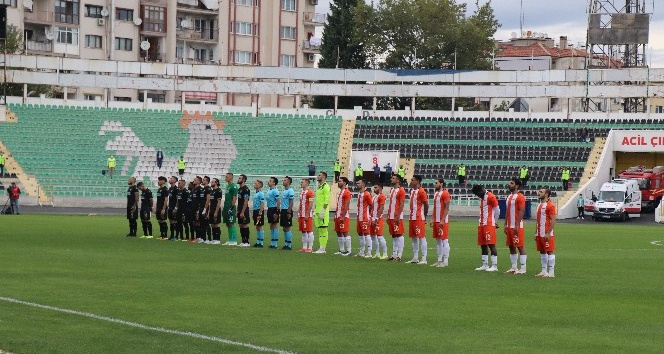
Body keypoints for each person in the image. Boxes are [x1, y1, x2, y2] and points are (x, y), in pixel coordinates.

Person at [471, 184, 499, 272]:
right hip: (481, 224)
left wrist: (495, 221)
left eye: (479, 193)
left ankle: (494, 266)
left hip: (489, 224)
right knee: (483, 245)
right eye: (477, 194)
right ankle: (485, 264)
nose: (478, 195)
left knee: (491, 244)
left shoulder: (491, 197)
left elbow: (497, 210)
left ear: (483, 189)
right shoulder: (481, 198)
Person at [504, 178, 527, 274]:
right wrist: (505, 223)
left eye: (511, 183)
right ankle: (514, 268)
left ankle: (523, 268)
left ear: (516, 186)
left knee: (520, 246)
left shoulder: (520, 197)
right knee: (511, 246)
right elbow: (507, 211)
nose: (509, 184)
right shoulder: (509, 197)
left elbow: (522, 211)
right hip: (509, 226)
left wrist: (517, 224)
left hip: (517, 226)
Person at [407, 175, 429, 265]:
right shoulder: (412, 191)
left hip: (418, 217)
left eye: (413, 180)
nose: (411, 181)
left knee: (421, 237)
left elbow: (426, 204)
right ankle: (415, 257)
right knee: (414, 238)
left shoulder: (421, 191)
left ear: (418, 181)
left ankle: (424, 258)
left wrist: (424, 216)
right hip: (412, 217)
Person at [535, 187, 557, 278]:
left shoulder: (550, 205)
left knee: (550, 252)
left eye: (541, 192)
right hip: (539, 233)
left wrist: (548, 233)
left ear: (546, 194)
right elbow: (538, 221)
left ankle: (551, 272)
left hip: (547, 233)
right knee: (542, 251)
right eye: (539, 191)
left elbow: (553, 220)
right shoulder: (539, 205)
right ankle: (544, 271)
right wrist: (536, 232)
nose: (539, 193)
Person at [430, 179, 451, 267]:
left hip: (442, 221)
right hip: (436, 220)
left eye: (436, 183)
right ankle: (439, 260)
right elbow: (435, 208)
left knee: (444, 240)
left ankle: (445, 261)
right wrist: (432, 219)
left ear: (441, 184)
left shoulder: (445, 193)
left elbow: (447, 208)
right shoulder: (436, 194)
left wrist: (442, 220)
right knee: (438, 240)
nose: (434, 184)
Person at [387, 174, 406, 261]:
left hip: (397, 216)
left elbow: (402, 203)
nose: (391, 179)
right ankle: (394, 254)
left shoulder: (401, 190)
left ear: (398, 180)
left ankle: (399, 255)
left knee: (399, 234)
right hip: (391, 216)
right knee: (394, 235)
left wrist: (398, 215)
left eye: (393, 178)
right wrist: (388, 215)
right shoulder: (392, 190)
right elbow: (391, 204)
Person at [313, 172, 331, 254]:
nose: (318, 176)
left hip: (323, 212)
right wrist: (315, 210)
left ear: (323, 177)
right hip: (318, 212)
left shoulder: (326, 186)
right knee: (320, 230)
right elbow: (318, 200)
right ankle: (321, 247)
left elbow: (327, 200)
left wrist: (323, 211)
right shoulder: (319, 187)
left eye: (319, 175)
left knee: (323, 230)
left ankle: (323, 248)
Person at [355, 178, 373, 258]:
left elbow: (371, 205)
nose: (357, 184)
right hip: (359, 217)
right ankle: (361, 251)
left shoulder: (367, 194)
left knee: (366, 234)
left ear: (363, 184)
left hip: (365, 217)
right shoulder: (359, 194)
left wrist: (369, 216)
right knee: (360, 234)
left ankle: (369, 252)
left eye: (359, 183)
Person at [334, 177, 352, 256]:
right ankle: (341, 250)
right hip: (338, 215)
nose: (338, 182)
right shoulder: (341, 192)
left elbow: (346, 205)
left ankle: (349, 251)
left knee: (345, 232)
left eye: (340, 181)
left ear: (344, 183)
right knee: (338, 232)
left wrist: (343, 216)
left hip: (343, 216)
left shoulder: (347, 192)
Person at [297, 178, 315, 253]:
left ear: (307, 184)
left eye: (302, 182)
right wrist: (298, 213)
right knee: (303, 231)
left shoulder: (310, 192)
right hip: (301, 214)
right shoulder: (302, 192)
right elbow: (301, 203)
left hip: (307, 215)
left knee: (309, 230)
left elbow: (311, 204)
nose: (301, 183)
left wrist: (307, 214)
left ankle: (310, 247)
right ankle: (304, 247)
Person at [371, 184, 388, 259]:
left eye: (376, 187)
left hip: (378, 219)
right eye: (374, 187)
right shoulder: (374, 197)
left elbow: (381, 208)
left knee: (380, 236)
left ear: (380, 188)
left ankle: (385, 253)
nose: (374, 189)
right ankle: (377, 253)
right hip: (372, 218)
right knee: (373, 236)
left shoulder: (382, 196)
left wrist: (377, 218)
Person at [278, 176, 295, 250]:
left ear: (288, 182)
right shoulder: (284, 191)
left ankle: (289, 244)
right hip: (283, 210)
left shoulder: (290, 191)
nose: (283, 181)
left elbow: (291, 201)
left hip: (287, 210)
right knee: (284, 228)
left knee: (287, 228)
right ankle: (286, 243)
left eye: (285, 180)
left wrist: (289, 211)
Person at [223, 173, 239, 246]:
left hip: (230, 207)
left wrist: (232, 207)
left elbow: (234, 197)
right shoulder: (227, 186)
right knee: (228, 223)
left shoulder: (234, 186)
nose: (225, 178)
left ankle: (234, 240)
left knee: (231, 223)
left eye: (226, 177)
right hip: (226, 206)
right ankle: (230, 240)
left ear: (231, 178)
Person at [237, 174, 251, 247]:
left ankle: (247, 241)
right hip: (239, 210)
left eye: (240, 178)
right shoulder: (239, 189)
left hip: (244, 210)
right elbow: (239, 201)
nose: (238, 179)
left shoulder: (246, 189)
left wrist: (242, 211)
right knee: (241, 225)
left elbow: (246, 201)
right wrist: (238, 210)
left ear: (244, 180)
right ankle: (243, 240)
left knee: (245, 225)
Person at [266, 177, 280, 248]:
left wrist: (277, 212)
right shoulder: (269, 190)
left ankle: (275, 243)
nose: (269, 182)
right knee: (271, 226)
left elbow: (278, 201)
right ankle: (272, 243)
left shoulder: (275, 191)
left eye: (270, 181)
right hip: (269, 209)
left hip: (274, 209)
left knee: (274, 225)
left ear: (274, 183)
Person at [208, 178, 223, 245]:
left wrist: (216, 212)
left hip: (216, 210)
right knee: (212, 225)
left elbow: (219, 202)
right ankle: (214, 238)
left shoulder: (218, 191)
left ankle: (217, 239)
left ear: (216, 182)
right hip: (211, 209)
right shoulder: (212, 191)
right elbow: (210, 202)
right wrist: (209, 211)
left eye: (212, 182)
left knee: (216, 224)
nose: (211, 183)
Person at [252, 180, 266, 247]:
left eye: (256, 183)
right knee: (257, 227)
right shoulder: (255, 193)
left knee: (260, 226)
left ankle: (261, 243)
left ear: (260, 185)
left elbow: (262, 204)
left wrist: (260, 213)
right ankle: (258, 242)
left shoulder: (261, 193)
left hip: (258, 211)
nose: (254, 184)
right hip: (255, 211)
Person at [191, 176, 205, 243]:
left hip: (198, 208)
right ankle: (197, 237)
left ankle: (200, 237)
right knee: (194, 222)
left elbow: (201, 200)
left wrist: (199, 209)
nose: (194, 181)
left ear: (199, 181)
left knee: (198, 222)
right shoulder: (194, 189)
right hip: (193, 208)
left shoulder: (200, 189)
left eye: (195, 180)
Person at [201, 176, 213, 242]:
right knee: (202, 223)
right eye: (203, 180)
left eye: (204, 180)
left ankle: (209, 238)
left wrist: (205, 209)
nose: (203, 181)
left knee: (206, 223)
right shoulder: (203, 189)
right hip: (202, 207)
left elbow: (208, 199)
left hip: (206, 208)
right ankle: (203, 238)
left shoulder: (208, 189)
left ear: (207, 181)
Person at [167, 176, 179, 240]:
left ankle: (176, 236)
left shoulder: (176, 189)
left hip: (174, 207)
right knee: (171, 221)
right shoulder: (170, 189)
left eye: (171, 179)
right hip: (170, 207)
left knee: (175, 221)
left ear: (174, 180)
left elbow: (177, 199)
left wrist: (176, 208)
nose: (170, 179)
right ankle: (172, 235)